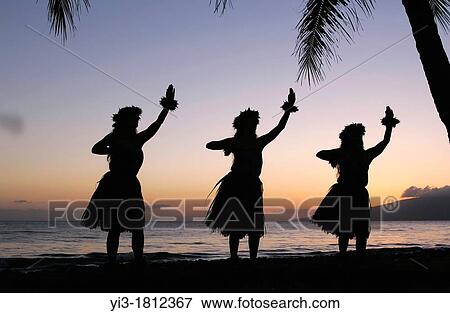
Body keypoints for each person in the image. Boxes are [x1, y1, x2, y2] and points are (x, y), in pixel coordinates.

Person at [81, 85, 179, 264]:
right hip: (114, 184)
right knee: (115, 228)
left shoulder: (138, 139)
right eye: (134, 119)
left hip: (131, 185)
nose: (137, 122)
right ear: (125, 121)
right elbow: (95, 149)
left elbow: (156, 125)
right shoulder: (114, 137)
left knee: (137, 226)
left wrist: (166, 107)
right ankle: (111, 261)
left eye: (137, 119)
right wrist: (113, 148)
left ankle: (139, 259)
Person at [205, 88, 298, 260]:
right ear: (242, 126)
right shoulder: (237, 142)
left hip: (252, 185)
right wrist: (227, 145)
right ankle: (234, 258)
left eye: (254, 124)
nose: (253, 127)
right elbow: (209, 145)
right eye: (250, 124)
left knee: (254, 225)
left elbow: (279, 128)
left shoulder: (259, 142)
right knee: (235, 225)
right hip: (235, 184)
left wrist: (288, 110)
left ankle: (253, 259)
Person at [312, 106, 399, 255]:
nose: (358, 141)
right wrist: (339, 153)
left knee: (360, 230)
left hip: (356, 193)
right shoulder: (353, 154)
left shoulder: (364, 155)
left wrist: (389, 125)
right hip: (347, 193)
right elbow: (319, 154)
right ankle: (345, 255)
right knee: (347, 230)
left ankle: (355, 256)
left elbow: (385, 142)